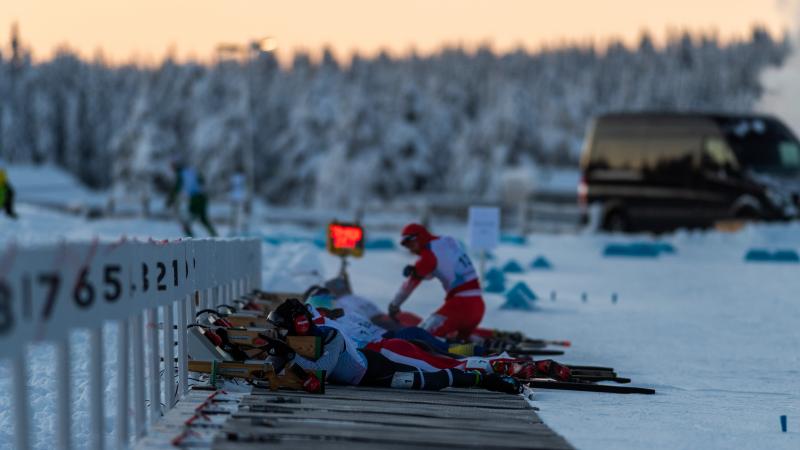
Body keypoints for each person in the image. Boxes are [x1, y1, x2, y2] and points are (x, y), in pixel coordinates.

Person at [267, 299, 522, 394]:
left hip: (379, 365)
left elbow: (320, 370)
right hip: (383, 352)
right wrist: (274, 355)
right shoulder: (327, 323)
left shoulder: (330, 334)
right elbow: (277, 369)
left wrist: (288, 354)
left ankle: (487, 376)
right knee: (445, 353)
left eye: (285, 328)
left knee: (435, 376)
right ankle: (485, 358)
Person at [389, 223, 485, 339]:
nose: (410, 249)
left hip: (461, 305)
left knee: (420, 336)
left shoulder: (428, 256)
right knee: (457, 340)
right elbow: (443, 267)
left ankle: (468, 349)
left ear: (418, 237)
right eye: (406, 246)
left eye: (410, 243)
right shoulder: (447, 240)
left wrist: (394, 305)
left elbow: (409, 285)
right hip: (477, 304)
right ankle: (479, 346)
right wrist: (418, 271)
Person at [166, 158, 217, 237]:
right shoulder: (191, 171)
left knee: (187, 222)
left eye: (173, 167)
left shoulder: (181, 174)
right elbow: (202, 180)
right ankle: (215, 237)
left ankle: (192, 241)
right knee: (203, 219)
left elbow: (176, 188)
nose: (173, 170)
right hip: (203, 197)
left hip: (195, 198)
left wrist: (170, 200)